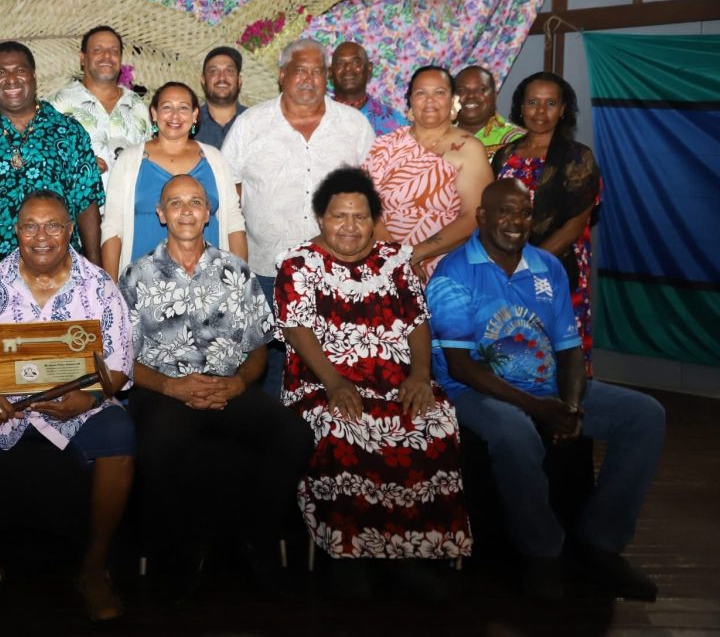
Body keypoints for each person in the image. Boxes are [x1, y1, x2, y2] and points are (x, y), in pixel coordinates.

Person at [427, 179, 664, 601]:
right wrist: (538, 409)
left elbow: (569, 348)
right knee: (514, 433)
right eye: (503, 211)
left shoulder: (547, 267)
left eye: (523, 212)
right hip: (473, 391)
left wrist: (569, 406)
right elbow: (461, 366)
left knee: (645, 416)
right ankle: (542, 552)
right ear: (481, 217)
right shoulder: (453, 272)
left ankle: (600, 543)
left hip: (545, 384)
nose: (515, 221)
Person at [0, 190, 134, 621]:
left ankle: (94, 569)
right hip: (0, 403)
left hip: (81, 404)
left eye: (53, 225)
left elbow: (116, 366)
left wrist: (90, 398)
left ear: (70, 231)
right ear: (17, 231)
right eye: (30, 226)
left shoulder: (98, 287)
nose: (41, 236)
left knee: (119, 433)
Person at [275, 167, 470, 600]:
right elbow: (296, 331)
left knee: (432, 422)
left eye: (360, 217)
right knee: (347, 427)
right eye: (338, 216)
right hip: (320, 382)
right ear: (321, 218)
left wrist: (420, 375)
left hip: (394, 379)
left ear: (374, 219)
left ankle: (408, 554)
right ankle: (349, 557)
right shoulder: (297, 265)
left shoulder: (395, 260)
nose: (349, 226)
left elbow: (418, 322)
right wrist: (335, 383)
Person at [119, 175, 312, 601]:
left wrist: (238, 382)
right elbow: (120, 360)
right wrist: (171, 386)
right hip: (165, 392)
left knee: (295, 434)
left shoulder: (236, 271)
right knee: (159, 442)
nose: (186, 210)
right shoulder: (136, 275)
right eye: (175, 203)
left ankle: (254, 537)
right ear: (160, 213)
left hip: (229, 386)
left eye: (195, 202)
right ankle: (186, 552)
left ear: (209, 213)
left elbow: (259, 345)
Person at [221, 38, 375, 396]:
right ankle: (279, 442)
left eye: (318, 71)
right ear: (282, 75)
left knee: (337, 361)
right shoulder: (251, 124)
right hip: (266, 271)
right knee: (270, 364)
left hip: (338, 270)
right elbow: (228, 191)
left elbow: (371, 195)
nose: (309, 79)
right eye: (300, 70)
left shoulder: (354, 125)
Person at [0, 41, 104, 315]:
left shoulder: (68, 132)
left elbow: (87, 205)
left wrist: (96, 273)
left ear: (34, 75)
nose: (12, 79)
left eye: (20, 70)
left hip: (64, 282)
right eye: (2, 73)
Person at [492, 72, 601, 371]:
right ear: (521, 107)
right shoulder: (504, 157)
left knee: (562, 353)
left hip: (558, 267)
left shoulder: (578, 157)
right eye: (533, 102)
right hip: (506, 269)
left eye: (550, 103)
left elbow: (576, 224)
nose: (541, 112)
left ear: (563, 109)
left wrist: (527, 265)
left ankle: (567, 413)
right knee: (514, 352)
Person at [101, 81, 246, 280]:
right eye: (167, 107)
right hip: (143, 283)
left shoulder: (215, 159)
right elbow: (112, 227)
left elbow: (234, 224)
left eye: (183, 108)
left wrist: (240, 280)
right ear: (154, 113)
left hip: (209, 280)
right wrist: (111, 289)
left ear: (195, 115)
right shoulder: (129, 160)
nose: (175, 116)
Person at [363, 65, 493, 279]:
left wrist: (415, 254)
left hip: (445, 268)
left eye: (439, 92)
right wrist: (396, 255)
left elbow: (474, 216)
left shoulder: (469, 148)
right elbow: (365, 205)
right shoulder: (385, 145)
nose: (430, 100)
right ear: (411, 102)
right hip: (383, 262)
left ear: (453, 101)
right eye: (421, 93)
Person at [47, 25, 150, 189]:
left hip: (129, 209)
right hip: (77, 211)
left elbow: (149, 158)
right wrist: (78, 165)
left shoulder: (136, 104)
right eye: (97, 50)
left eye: (114, 51)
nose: (107, 56)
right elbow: (43, 161)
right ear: (82, 58)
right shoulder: (57, 106)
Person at [329, 40, 408, 137]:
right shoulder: (316, 118)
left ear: (369, 69)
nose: (348, 68)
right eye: (340, 63)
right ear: (330, 72)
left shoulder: (394, 122)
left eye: (356, 62)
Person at [453, 65, 525, 160]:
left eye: (481, 90)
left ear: (494, 95)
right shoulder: (439, 137)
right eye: (461, 90)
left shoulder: (518, 139)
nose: (471, 96)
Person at [196, 46, 248, 148]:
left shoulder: (256, 122)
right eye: (213, 71)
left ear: (239, 80)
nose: (222, 77)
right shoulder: (188, 124)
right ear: (203, 80)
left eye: (229, 71)